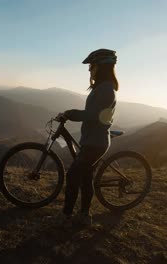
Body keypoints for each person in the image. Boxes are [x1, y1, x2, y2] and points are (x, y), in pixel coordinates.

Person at [55, 48, 118, 227]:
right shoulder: (102, 87)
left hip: (95, 143)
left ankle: (66, 216)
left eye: (92, 65)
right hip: (93, 140)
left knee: (74, 175)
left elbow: (93, 115)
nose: (89, 69)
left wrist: (70, 113)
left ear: (101, 67)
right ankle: (84, 216)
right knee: (85, 178)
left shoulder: (106, 89)